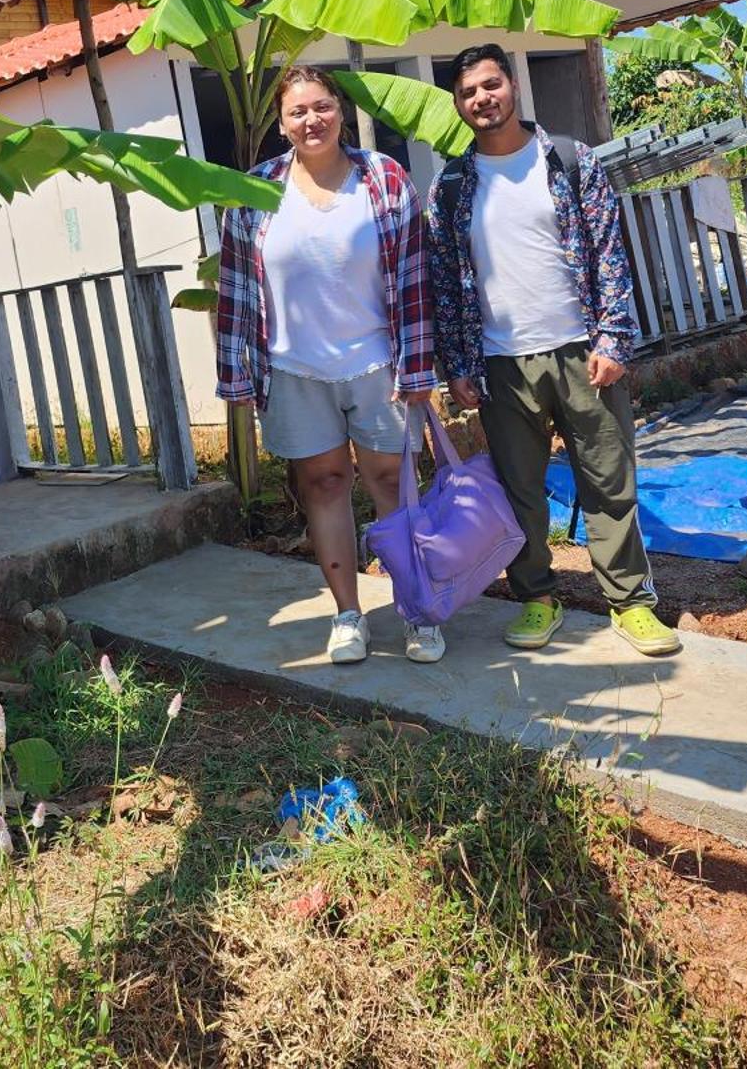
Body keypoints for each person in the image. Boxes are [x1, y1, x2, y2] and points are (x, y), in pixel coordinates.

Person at [425, 44, 680, 657]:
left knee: (608, 480)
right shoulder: (453, 186)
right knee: (521, 489)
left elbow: (610, 252)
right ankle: (537, 598)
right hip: (500, 363)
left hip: (581, 350)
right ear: (458, 105)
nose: (482, 99)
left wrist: (613, 337)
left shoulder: (568, 161)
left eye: (491, 85)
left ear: (512, 86)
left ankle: (630, 602)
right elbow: (446, 282)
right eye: (468, 93)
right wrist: (456, 365)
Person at [215, 65, 443, 665]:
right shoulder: (255, 191)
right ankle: (347, 615)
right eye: (297, 112)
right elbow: (236, 289)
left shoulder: (384, 178)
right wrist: (234, 374)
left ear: (339, 110)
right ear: (281, 123)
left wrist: (418, 368)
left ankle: (418, 611)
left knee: (393, 486)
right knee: (323, 485)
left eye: (321, 107)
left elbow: (416, 277)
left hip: (377, 365)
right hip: (293, 371)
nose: (310, 120)